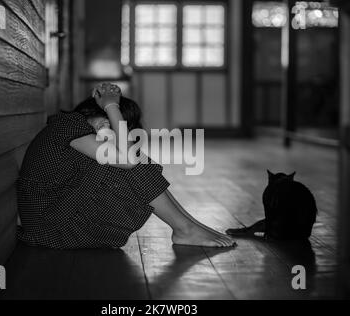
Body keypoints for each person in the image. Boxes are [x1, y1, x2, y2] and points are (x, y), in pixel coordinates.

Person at [17, 83, 235, 249]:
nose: (112, 129)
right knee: (130, 162)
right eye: (113, 121)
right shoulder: (68, 125)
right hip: (51, 228)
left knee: (130, 159)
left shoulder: (74, 131)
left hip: (57, 220)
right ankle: (185, 228)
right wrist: (112, 105)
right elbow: (129, 159)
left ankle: (189, 225)